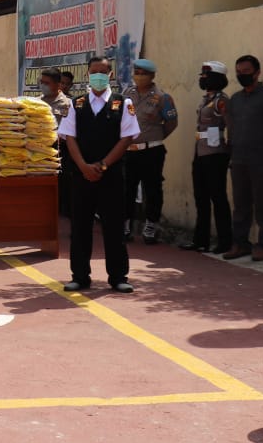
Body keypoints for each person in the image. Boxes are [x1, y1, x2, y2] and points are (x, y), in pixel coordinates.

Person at [58, 55, 141, 294]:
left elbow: (126, 138)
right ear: (87, 74)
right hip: (81, 175)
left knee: (114, 226)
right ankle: (80, 276)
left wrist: (103, 165)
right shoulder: (76, 104)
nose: (98, 77)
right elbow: (69, 137)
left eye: (103, 72)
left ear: (110, 75)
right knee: (81, 226)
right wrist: (84, 166)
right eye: (94, 72)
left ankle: (118, 276)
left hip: (111, 175)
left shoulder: (122, 103)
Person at [223, 55, 263, 262]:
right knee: (240, 205)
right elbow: (232, 128)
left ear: (257, 73)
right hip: (239, 160)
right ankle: (240, 244)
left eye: (246, 72)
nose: (242, 75)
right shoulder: (236, 100)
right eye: (238, 72)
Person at [121, 59, 178, 244]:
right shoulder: (127, 94)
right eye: (136, 72)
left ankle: (151, 225)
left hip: (152, 151)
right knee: (126, 189)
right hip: (129, 151)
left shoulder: (162, 97)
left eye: (143, 73)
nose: (139, 76)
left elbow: (171, 123)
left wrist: (154, 137)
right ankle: (126, 225)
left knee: (152, 189)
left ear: (152, 76)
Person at [181, 61, 232, 253]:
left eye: (206, 75)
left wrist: (229, 151)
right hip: (201, 151)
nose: (203, 78)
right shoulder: (205, 99)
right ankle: (200, 240)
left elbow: (230, 126)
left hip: (216, 153)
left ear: (217, 79)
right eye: (202, 75)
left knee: (217, 197)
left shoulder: (221, 100)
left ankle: (225, 241)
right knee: (200, 197)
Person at [40, 67, 74, 216]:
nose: (43, 85)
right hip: (41, 149)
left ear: (57, 84)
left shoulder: (68, 104)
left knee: (64, 184)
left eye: (46, 83)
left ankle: (64, 213)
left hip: (62, 149)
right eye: (41, 82)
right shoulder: (37, 103)